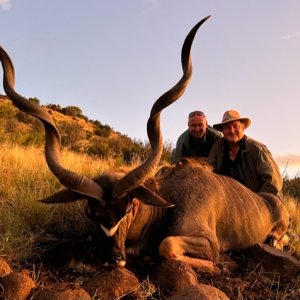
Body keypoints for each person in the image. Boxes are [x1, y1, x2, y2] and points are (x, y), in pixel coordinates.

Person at [208, 110, 282, 196]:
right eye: (227, 127)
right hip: (227, 201)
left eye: (235, 126)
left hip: (256, 202)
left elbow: (274, 182)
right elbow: (209, 172)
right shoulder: (217, 148)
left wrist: (256, 203)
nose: (232, 131)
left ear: (243, 128)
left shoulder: (257, 148)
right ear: (223, 131)